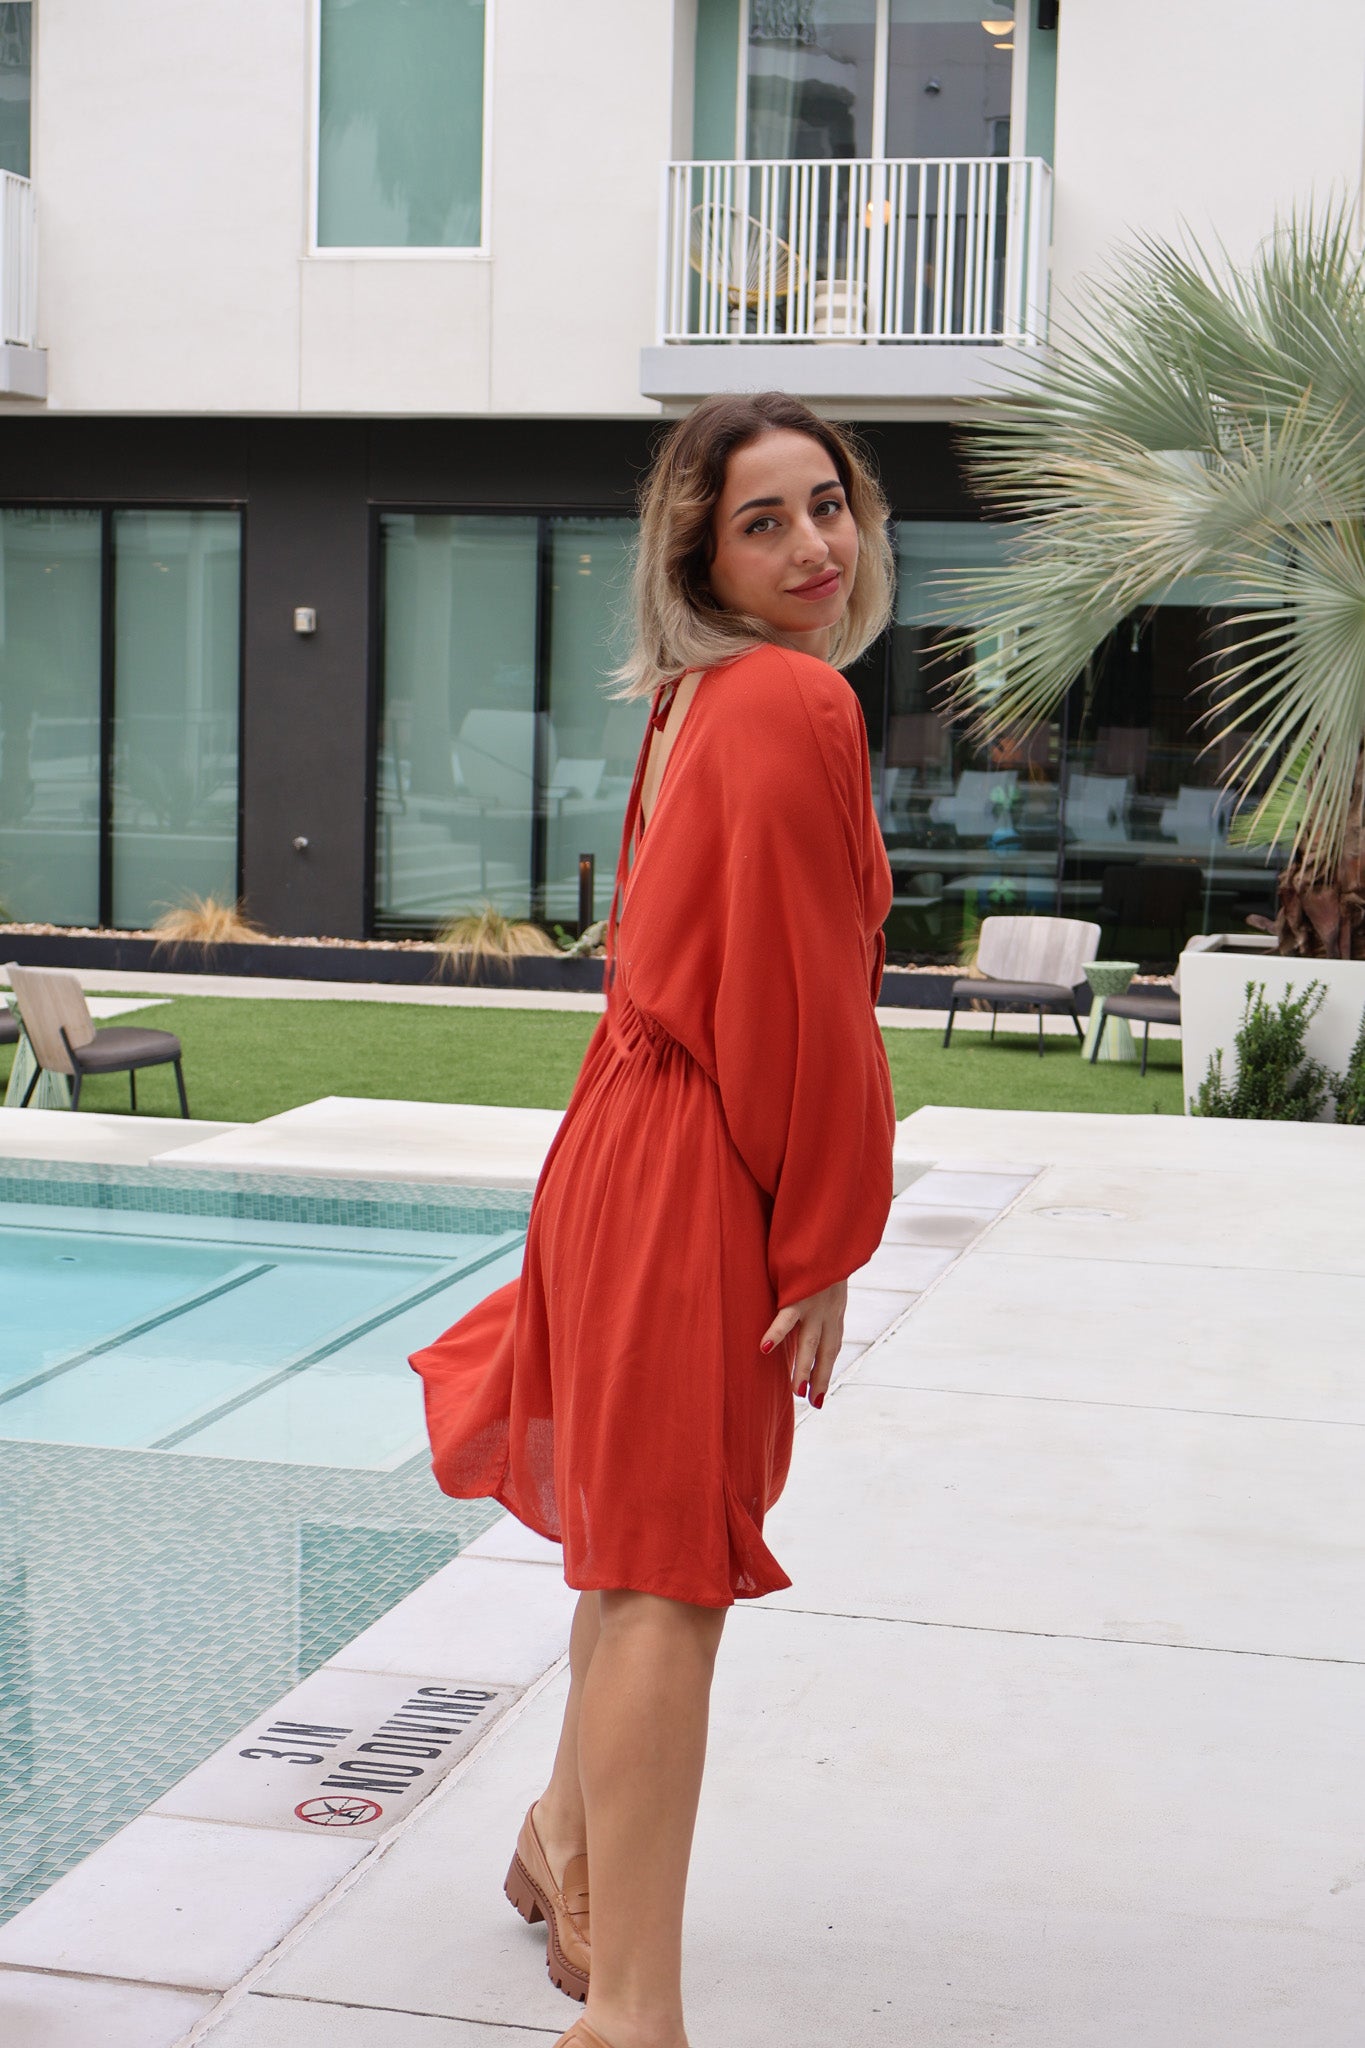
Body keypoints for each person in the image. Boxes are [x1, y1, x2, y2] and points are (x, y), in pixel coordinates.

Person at [410, 390, 897, 2048]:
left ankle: (561, 1843)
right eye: (763, 522)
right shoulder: (790, 701)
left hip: (627, 1141)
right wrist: (823, 1235)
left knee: (637, 1558)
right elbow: (798, 1004)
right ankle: (631, 2013)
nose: (812, 545)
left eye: (825, 504)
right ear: (699, 556)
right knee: (665, 1583)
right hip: (692, 1164)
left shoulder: (704, 697)